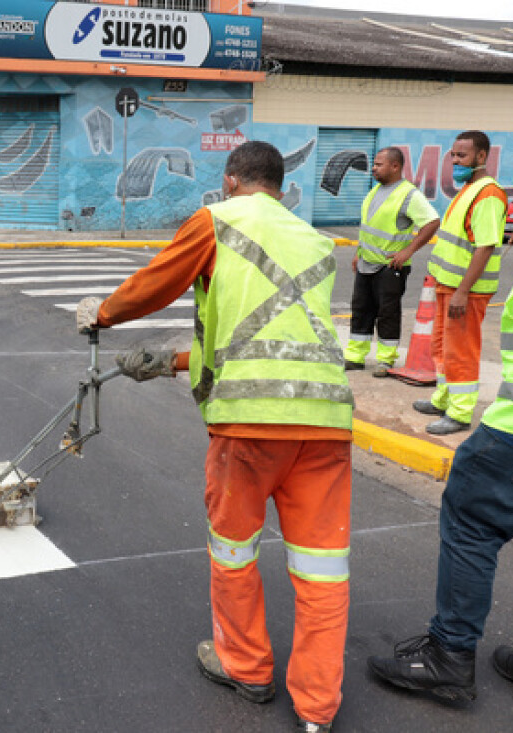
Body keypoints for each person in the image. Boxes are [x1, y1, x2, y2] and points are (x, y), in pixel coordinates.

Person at [76, 141, 353, 733]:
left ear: (231, 182)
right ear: (280, 187)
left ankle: (246, 666)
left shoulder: (218, 221)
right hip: (327, 424)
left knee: (234, 549)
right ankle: (317, 709)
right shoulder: (316, 241)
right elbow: (257, 333)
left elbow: (157, 282)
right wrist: (174, 361)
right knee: (322, 569)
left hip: (250, 427)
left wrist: (102, 313)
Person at [366, 123, 513, 712]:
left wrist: (465, 286)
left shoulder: (489, 198)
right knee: (446, 355)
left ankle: (449, 657)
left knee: (470, 510)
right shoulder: (478, 197)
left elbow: (485, 247)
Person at [413, 130, 507, 435]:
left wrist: (463, 292)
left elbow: (485, 246)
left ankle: (460, 413)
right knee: (441, 347)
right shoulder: (469, 188)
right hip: (447, 285)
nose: (455, 161)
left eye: (461, 156)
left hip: (465, 291)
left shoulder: (488, 195)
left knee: (461, 351)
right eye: (453, 155)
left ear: (481, 157)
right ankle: (444, 398)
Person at [343, 147, 439, 376]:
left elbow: (432, 222)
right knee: (361, 310)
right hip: (367, 262)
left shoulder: (408, 194)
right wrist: (359, 251)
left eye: (378, 164)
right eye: (374, 164)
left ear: (395, 166)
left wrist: (408, 251)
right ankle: (355, 357)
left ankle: (386, 360)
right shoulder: (376, 191)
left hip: (390, 267)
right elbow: (369, 227)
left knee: (387, 314)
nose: (373, 169)